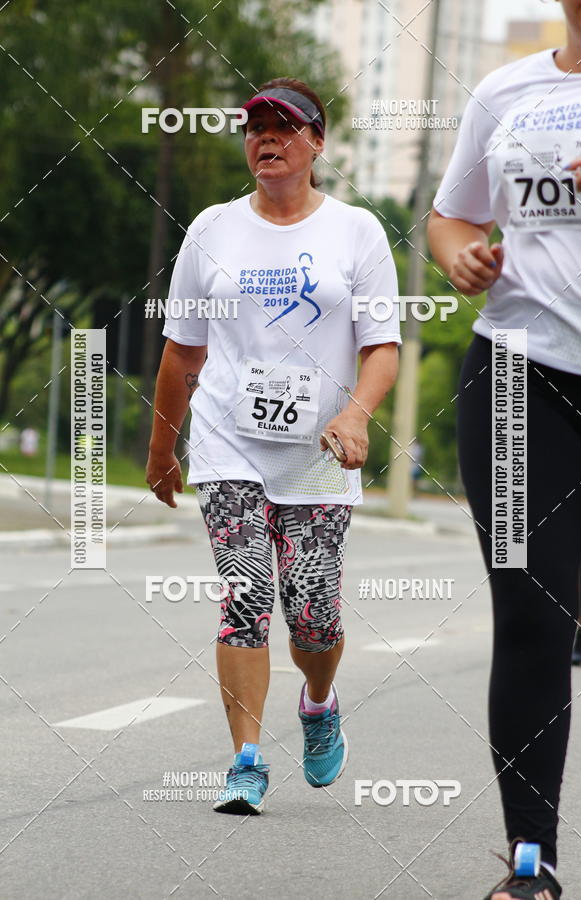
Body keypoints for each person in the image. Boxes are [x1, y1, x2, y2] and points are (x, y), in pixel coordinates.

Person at [146, 77, 400, 815]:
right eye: (255, 126)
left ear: (317, 142)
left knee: (313, 615)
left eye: (284, 127)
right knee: (246, 592)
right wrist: (163, 449)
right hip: (228, 443)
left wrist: (356, 415)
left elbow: (382, 347)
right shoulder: (211, 229)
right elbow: (182, 351)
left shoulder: (356, 231)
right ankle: (246, 761)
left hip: (318, 452)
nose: (267, 138)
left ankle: (318, 701)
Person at [428, 1, 581, 897]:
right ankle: (532, 865)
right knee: (533, 618)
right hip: (519, 371)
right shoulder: (505, 90)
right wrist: (461, 256)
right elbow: (451, 217)